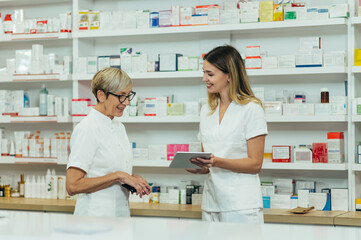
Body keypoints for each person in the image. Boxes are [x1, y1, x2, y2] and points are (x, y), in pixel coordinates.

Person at [187, 45, 268, 223]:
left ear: (229, 75)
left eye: (210, 74)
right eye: (204, 73)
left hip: (241, 205)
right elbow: (208, 162)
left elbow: (255, 164)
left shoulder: (251, 109)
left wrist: (217, 161)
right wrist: (198, 167)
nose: (204, 79)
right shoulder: (207, 110)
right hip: (211, 202)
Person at [66, 67, 151, 217]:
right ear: (101, 95)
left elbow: (109, 171)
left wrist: (132, 179)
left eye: (128, 95)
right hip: (94, 217)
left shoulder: (119, 127)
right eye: (121, 96)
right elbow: (72, 185)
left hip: (120, 216)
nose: (126, 103)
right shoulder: (87, 128)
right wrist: (118, 176)